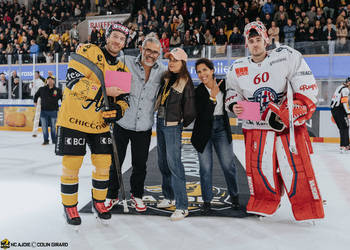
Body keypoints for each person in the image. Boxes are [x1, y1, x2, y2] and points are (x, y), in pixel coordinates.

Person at [225, 21, 324, 221]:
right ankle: (265, 202)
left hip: (287, 126)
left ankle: (307, 207)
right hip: (256, 129)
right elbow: (232, 93)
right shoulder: (238, 67)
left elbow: (306, 86)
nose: (255, 44)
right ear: (246, 44)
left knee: (295, 168)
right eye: (251, 41)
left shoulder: (286, 56)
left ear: (266, 40)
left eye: (258, 40)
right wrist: (234, 104)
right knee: (261, 169)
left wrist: (293, 109)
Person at [55, 23, 130, 226]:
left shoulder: (121, 67)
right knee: (72, 166)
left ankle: (99, 202)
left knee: (103, 166)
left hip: (99, 125)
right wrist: (105, 90)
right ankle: (69, 206)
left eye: (122, 39)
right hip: (74, 120)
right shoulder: (89, 50)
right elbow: (72, 79)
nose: (117, 41)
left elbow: (123, 99)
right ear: (107, 37)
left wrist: (118, 111)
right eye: (114, 36)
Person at [106, 33, 167, 212]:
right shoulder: (125, 62)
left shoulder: (162, 71)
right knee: (116, 162)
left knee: (140, 164)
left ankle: (137, 195)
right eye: (148, 49)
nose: (150, 54)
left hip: (144, 126)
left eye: (155, 52)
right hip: (122, 123)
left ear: (159, 54)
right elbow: (111, 81)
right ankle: (111, 195)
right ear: (141, 48)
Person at [191, 58, 239, 215]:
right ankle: (206, 201)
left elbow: (235, 101)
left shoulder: (224, 85)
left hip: (221, 129)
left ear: (212, 70)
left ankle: (235, 197)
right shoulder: (197, 92)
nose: (202, 74)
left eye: (204, 70)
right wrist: (212, 97)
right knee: (205, 168)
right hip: (203, 131)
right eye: (199, 72)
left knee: (228, 166)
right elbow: (202, 116)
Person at [154, 48, 196, 221]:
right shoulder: (166, 78)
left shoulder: (186, 81)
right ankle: (168, 196)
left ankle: (182, 206)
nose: (171, 63)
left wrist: (179, 122)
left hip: (172, 126)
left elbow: (191, 111)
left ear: (183, 63)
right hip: (160, 123)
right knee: (163, 162)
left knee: (174, 164)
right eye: (170, 59)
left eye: (175, 60)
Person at [34, 76, 62, 145]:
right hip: (43, 111)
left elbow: (62, 98)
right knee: (44, 127)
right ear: (46, 81)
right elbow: (36, 95)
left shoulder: (58, 90)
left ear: (54, 81)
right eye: (48, 80)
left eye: (51, 80)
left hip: (54, 111)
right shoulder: (42, 89)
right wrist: (35, 102)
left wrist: (63, 106)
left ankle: (54, 140)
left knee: (53, 127)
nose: (49, 81)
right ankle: (46, 140)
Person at [330, 77, 350, 153]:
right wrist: (348, 112)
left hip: (334, 109)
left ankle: (345, 145)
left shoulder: (340, 87)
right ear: (348, 83)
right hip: (339, 110)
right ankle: (344, 146)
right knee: (345, 127)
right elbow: (344, 102)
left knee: (343, 127)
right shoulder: (345, 90)